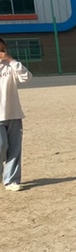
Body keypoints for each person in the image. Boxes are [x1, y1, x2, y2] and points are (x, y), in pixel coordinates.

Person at [0, 38, 32, 192]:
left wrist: (11, 60)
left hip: (13, 113)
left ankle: (11, 180)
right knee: (1, 145)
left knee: (14, 148)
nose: (1, 53)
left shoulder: (11, 66)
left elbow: (26, 77)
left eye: (3, 50)